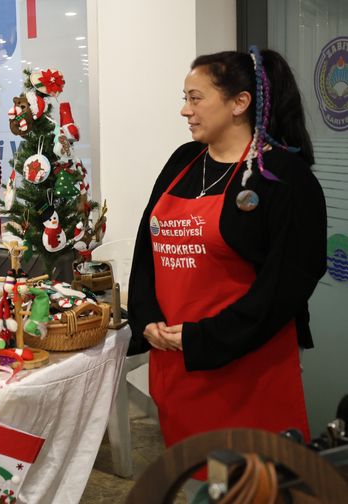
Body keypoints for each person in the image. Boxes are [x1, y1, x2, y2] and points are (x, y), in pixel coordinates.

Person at [128, 47, 326, 473]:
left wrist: (203, 338)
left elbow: (286, 285)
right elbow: (147, 250)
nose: (185, 110)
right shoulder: (183, 161)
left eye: (196, 98)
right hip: (177, 367)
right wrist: (144, 317)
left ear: (239, 103)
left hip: (245, 369)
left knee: (256, 485)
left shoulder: (284, 178)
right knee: (199, 480)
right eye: (185, 97)